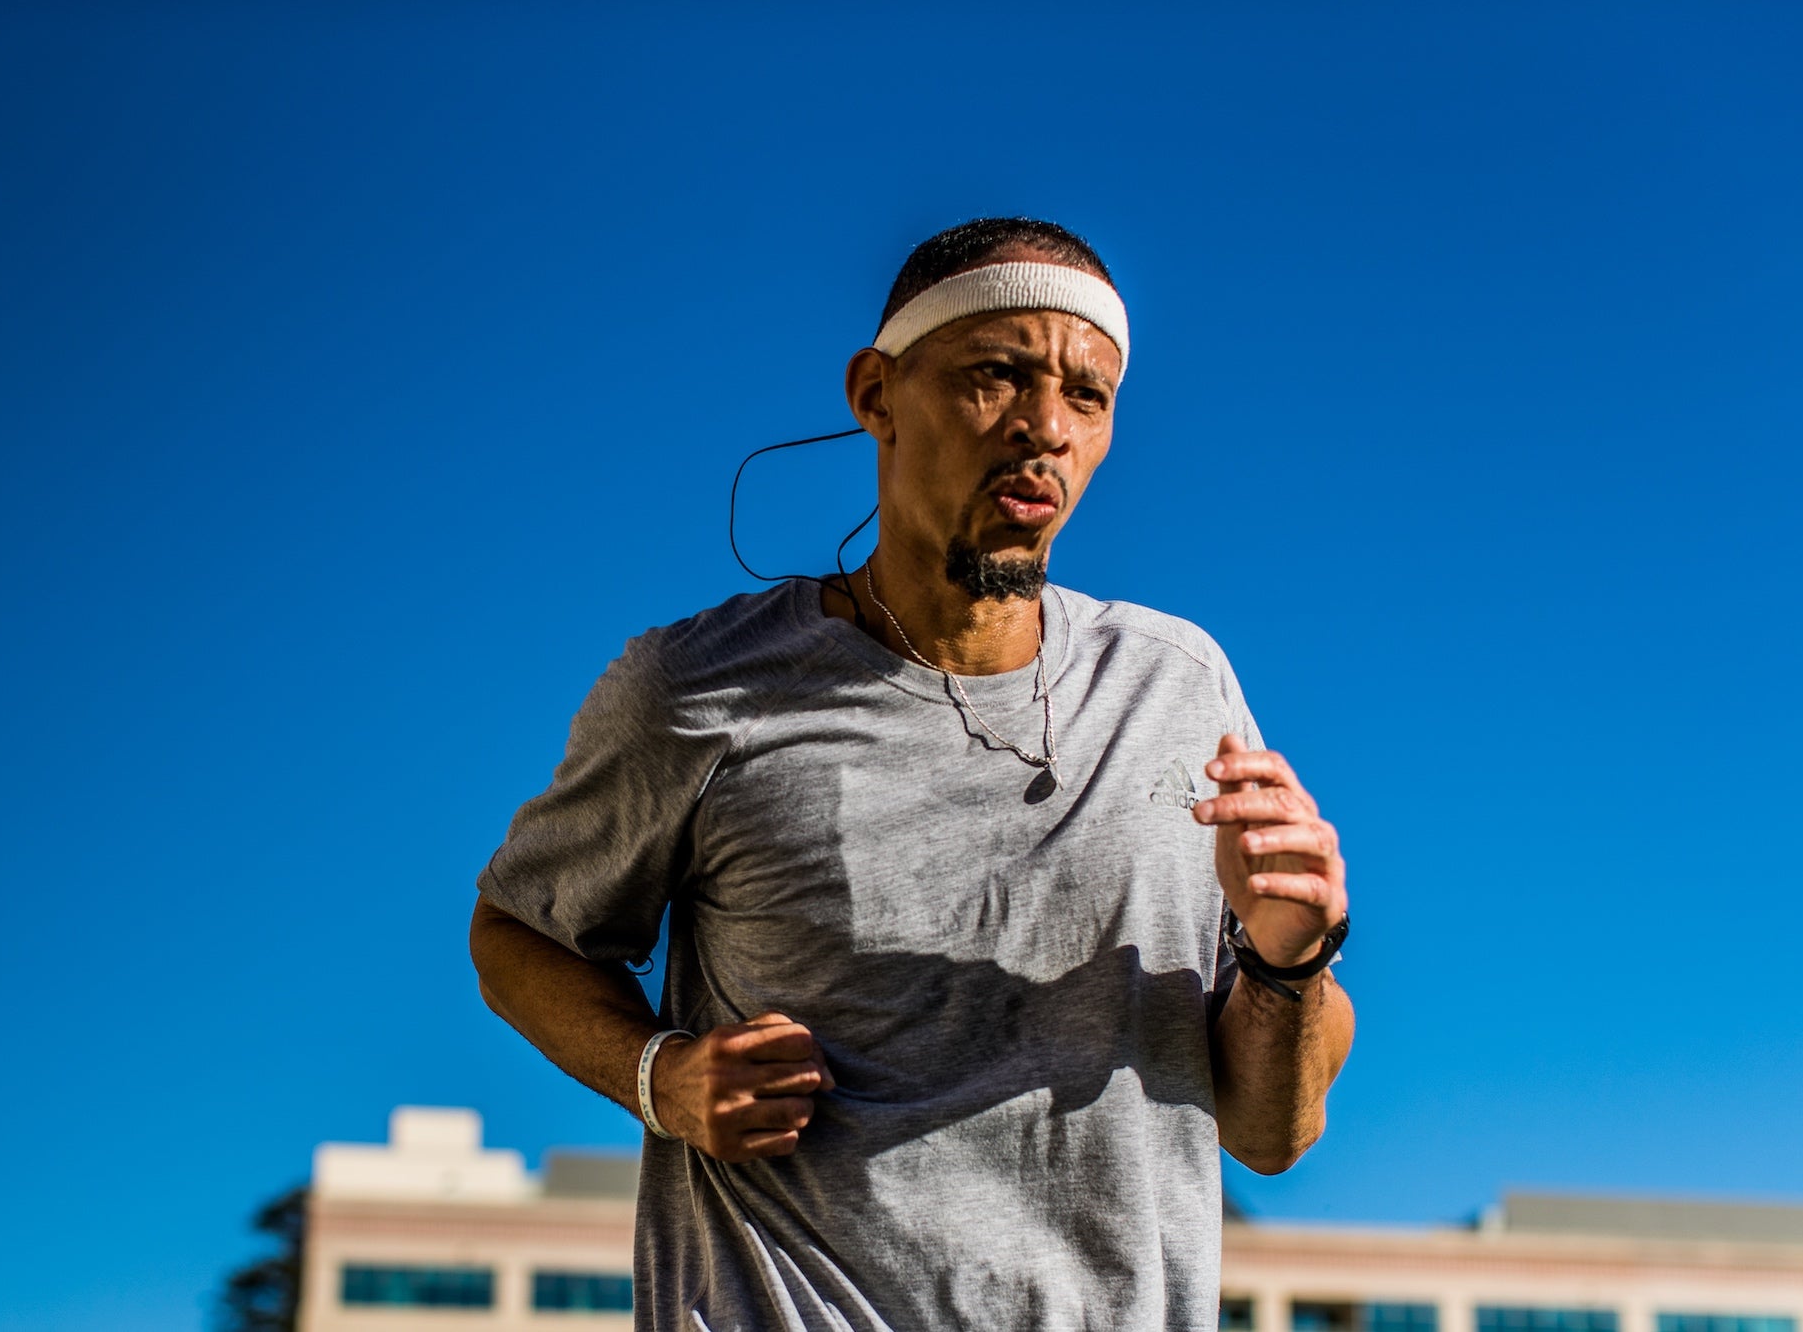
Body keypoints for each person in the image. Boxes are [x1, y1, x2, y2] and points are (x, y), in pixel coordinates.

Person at [469, 217, 1354, 1331]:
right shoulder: (696, 689)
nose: (1047, 429)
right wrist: (665, 1079)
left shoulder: (1179, 686)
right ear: (877, 393)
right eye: (999, 375)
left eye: (1089, 397)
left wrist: (1290, 959)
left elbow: (1272, 1135)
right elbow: (517, 934)